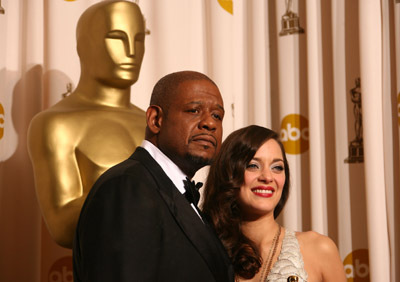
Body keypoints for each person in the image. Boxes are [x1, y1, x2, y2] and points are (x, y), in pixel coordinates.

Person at [73, 71, 234, 282]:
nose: (209, 124)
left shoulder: (174, 192)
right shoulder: (127, 188)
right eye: (194, 110)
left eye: (217, 116)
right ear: (155, 119)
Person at [27, 1, 147, 248]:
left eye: (138, 39)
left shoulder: (153, 124)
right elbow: (62, 226)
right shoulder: (56, 124)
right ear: (83, 46)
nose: (131, 51)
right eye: (116, 37)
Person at [202, 125, 346, 282]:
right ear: (228, 173)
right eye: (253, 165)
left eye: (277, 167)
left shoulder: (319, 249)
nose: (267, 177)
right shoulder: (206, 252)